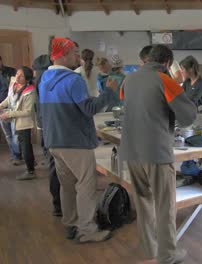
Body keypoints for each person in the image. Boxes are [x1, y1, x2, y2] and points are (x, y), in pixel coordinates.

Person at [120, 44, 196, 264]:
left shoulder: (129, 79)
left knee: (143, 202)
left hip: (131, 150)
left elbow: (130, 101)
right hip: (156, 151)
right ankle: (167, 254)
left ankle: (150, 249)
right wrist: (177, 84)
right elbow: (188, 116)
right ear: (167, 63)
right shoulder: (165, 80)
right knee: (165, 205)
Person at [39, 37, 117, 243]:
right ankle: (87, 230)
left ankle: (71, 223)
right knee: (86, 185)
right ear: (62, 54)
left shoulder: (45, 79)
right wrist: (108, 91)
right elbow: (89, 109)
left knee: (67, 185)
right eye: (75, 52)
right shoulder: (73, 80)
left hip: (54, 141)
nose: (79, 57)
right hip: (74, 141)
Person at [32, 54, 62, 216]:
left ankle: (59, 204)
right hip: (52, 129)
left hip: (44, 127)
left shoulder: (40, 79)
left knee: (54, 166)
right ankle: (60, 205)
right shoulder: (48, 78)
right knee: (56, 167)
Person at [0, 66, 37, 180]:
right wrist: (1, 105)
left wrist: (9, 114)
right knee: (23, 146)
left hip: (24, 123)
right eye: (17, 74)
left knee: (26, 147)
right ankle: (30, 166)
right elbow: (8, 98)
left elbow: (27, 111)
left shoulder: (30, 90)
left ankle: (30, 171)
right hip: (14, 120)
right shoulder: (14, 84)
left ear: (27, 78)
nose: (17, 76)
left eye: (21, 75)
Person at [0, 56, 21, 164]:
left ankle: (18, 155)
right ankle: (14, 155)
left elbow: (18, 85)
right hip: (1, 108)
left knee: (15, 133)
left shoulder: (11, 71)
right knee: (8, 134)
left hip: (13, 105)